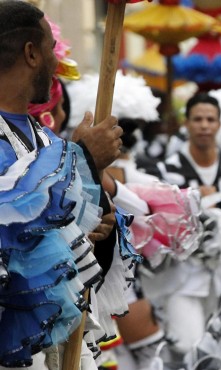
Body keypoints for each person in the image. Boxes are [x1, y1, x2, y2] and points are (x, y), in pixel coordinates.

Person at [0, 1, 124, 368]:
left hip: (61, 337)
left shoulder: (48, 141)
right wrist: (85, 158)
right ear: (31, 53)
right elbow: (11, 212)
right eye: (53, 50)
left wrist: (94, 226)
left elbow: (60, 235)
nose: (57, 64)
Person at [151, 92, 221, 358]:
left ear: (219, 124)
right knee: (186, 346)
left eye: (210, 119)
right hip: (182, 276)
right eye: (197, 119)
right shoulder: (167, 170)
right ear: (187, 123)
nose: (204, 125)